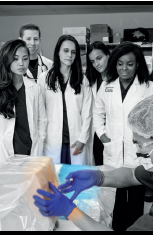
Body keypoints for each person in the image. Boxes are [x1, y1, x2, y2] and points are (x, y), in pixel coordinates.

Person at [33, 93, 153, 231]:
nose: (137, 151)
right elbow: (130, 175)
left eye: (140, 144)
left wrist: (68, 210)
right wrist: (97, 177)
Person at [93, 41, 153, 231]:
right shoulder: (107, 86)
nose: (124, 68)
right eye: (120, 63)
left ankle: (135, 229)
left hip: (137, 149)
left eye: (129, 64)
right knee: (115, 194)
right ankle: (118, 228)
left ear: (138, 64)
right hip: (113, 148)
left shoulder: (149, 87)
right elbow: (98, 113)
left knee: (137, 193)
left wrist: (147, 143)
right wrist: (103, 135)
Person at [0, 39, 46, 168]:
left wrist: (40, 140)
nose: (21, 63)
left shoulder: (34, 88)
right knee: (6, 187)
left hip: (30, 150)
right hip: (5, 152)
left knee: (29, 186)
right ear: (6, 59)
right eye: (15, 59)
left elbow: (42, 119)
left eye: (25, 58)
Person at [37, 35, 93, 165]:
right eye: (66, 51)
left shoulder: (82, 80)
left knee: (74, 179)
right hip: (52, 139)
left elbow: (87, 112)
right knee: (55, 179)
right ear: (58, 52)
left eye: (73, 52)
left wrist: (83, 138)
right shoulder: (44, 78)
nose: (70, 55)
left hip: (75, 139)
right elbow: (40, 111)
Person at [86, 41, 111, 166]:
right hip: (97, 133)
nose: (96, 64)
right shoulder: (91, 80)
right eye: (92, 61)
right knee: (100, 169)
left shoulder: (118, 79)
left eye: (99, 58)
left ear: (108, 55)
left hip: (113, 130)